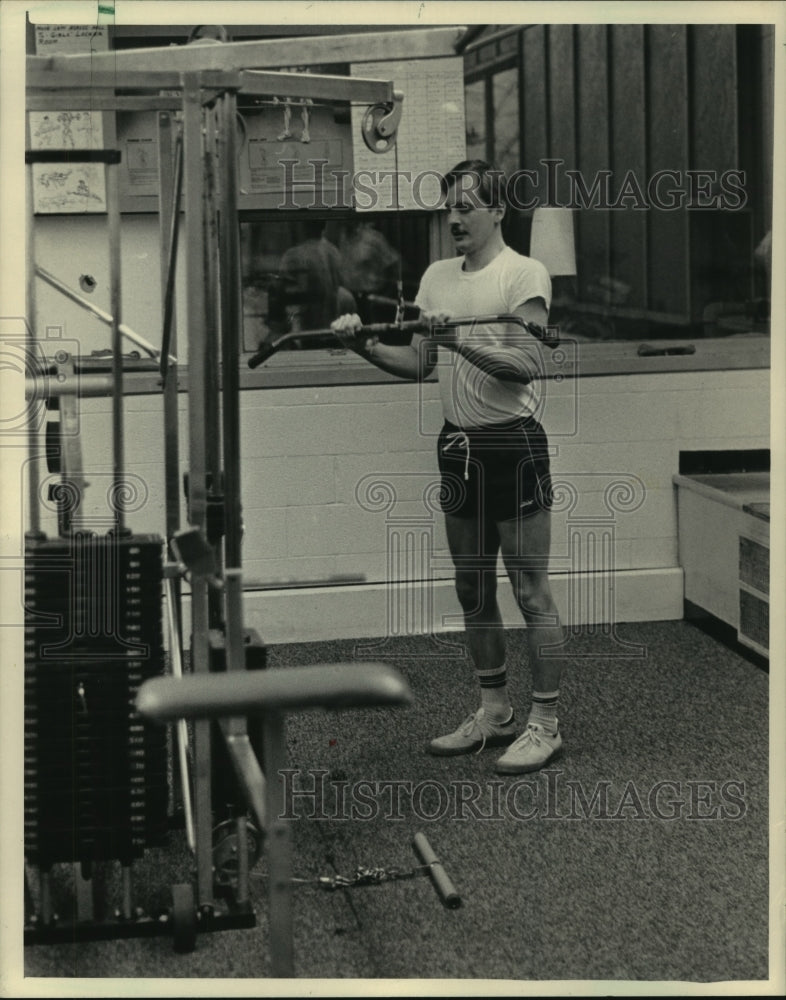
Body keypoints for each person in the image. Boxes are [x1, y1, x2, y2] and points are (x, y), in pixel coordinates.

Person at [332, 159, 565, 774]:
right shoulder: (435, 277)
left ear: (497, 212)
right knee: (471, 588)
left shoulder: (525, 274)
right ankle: (495, 710)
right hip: (458, 445)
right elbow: (420, 365)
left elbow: (527, 367)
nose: (454, 217)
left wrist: (457, 336)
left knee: (531, 592)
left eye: (467, 205)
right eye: (448, 207)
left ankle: (545, 722)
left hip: (512, 443)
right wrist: (364, 346)